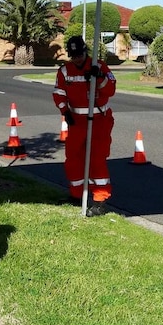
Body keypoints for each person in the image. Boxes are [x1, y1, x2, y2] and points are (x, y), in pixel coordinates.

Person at [52, 35, 116, 216]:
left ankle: (99, 200)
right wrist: (65, 111)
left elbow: (111, 89)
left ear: (85, 51)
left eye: (79, 54)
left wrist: (99, 77)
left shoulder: (99, 66)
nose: (77, 59)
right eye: (73, 56)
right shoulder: (65, 70)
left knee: (97, 159)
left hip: (99, 120)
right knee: (73, 159)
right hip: (76, 121)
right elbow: (59, 93)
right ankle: (77, 195)